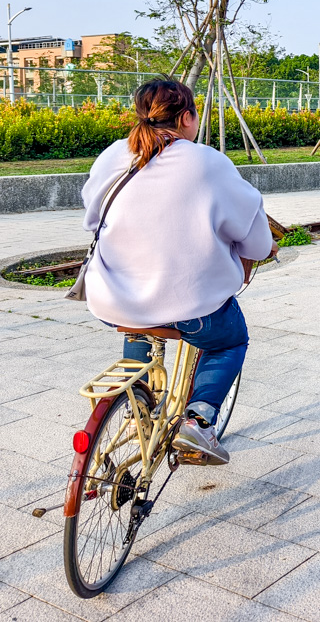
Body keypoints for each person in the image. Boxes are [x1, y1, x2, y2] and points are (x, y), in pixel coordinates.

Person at [80, 78, 277, 465]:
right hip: (190, 308)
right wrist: (263, 248)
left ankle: (137, 395)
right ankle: (198, 421)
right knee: (229, 339)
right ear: (187, 117)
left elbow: (91, 216)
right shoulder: (207, 160)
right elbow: (254, 239)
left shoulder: (113, 155)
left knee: (139, 320)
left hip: (112, 296)